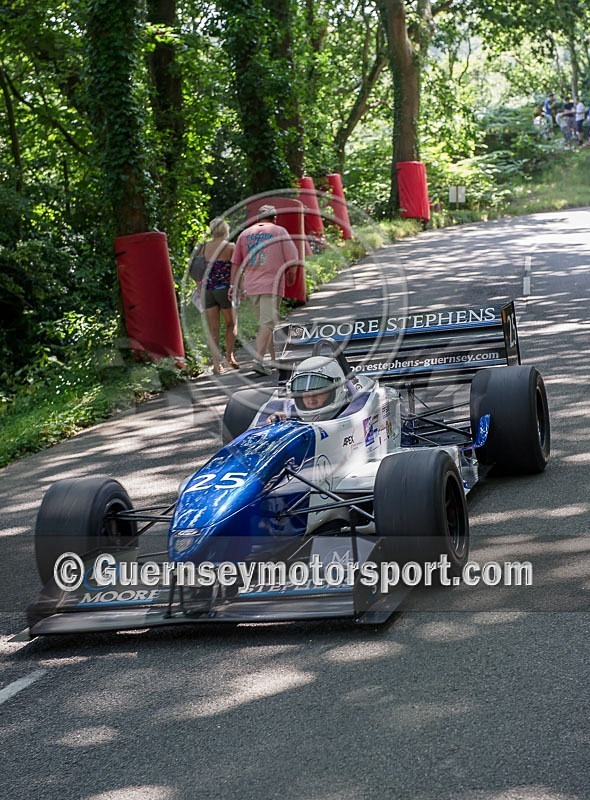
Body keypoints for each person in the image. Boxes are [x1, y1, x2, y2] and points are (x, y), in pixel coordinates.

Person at [231, 204, 299, 376]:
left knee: (266, 322)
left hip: (251, 285)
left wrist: (234, 285)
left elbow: (236, 263)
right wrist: (292, 274)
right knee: (268, 322)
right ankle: (258, 360)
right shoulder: (279, 231)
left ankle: (275, 359)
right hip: (272, 283)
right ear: (274, 218)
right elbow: (293, 257)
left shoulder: (244, 234)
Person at [199, 217, 239, 374]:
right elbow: (237, 269)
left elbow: (198, 270)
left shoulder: (203, 248)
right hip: (224, 289)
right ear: (225, 230)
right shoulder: (230, 247)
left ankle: (217, 365)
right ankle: (229, 356)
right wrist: (240, 288)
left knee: (213, 329)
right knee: (231, 323)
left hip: (207, 290)